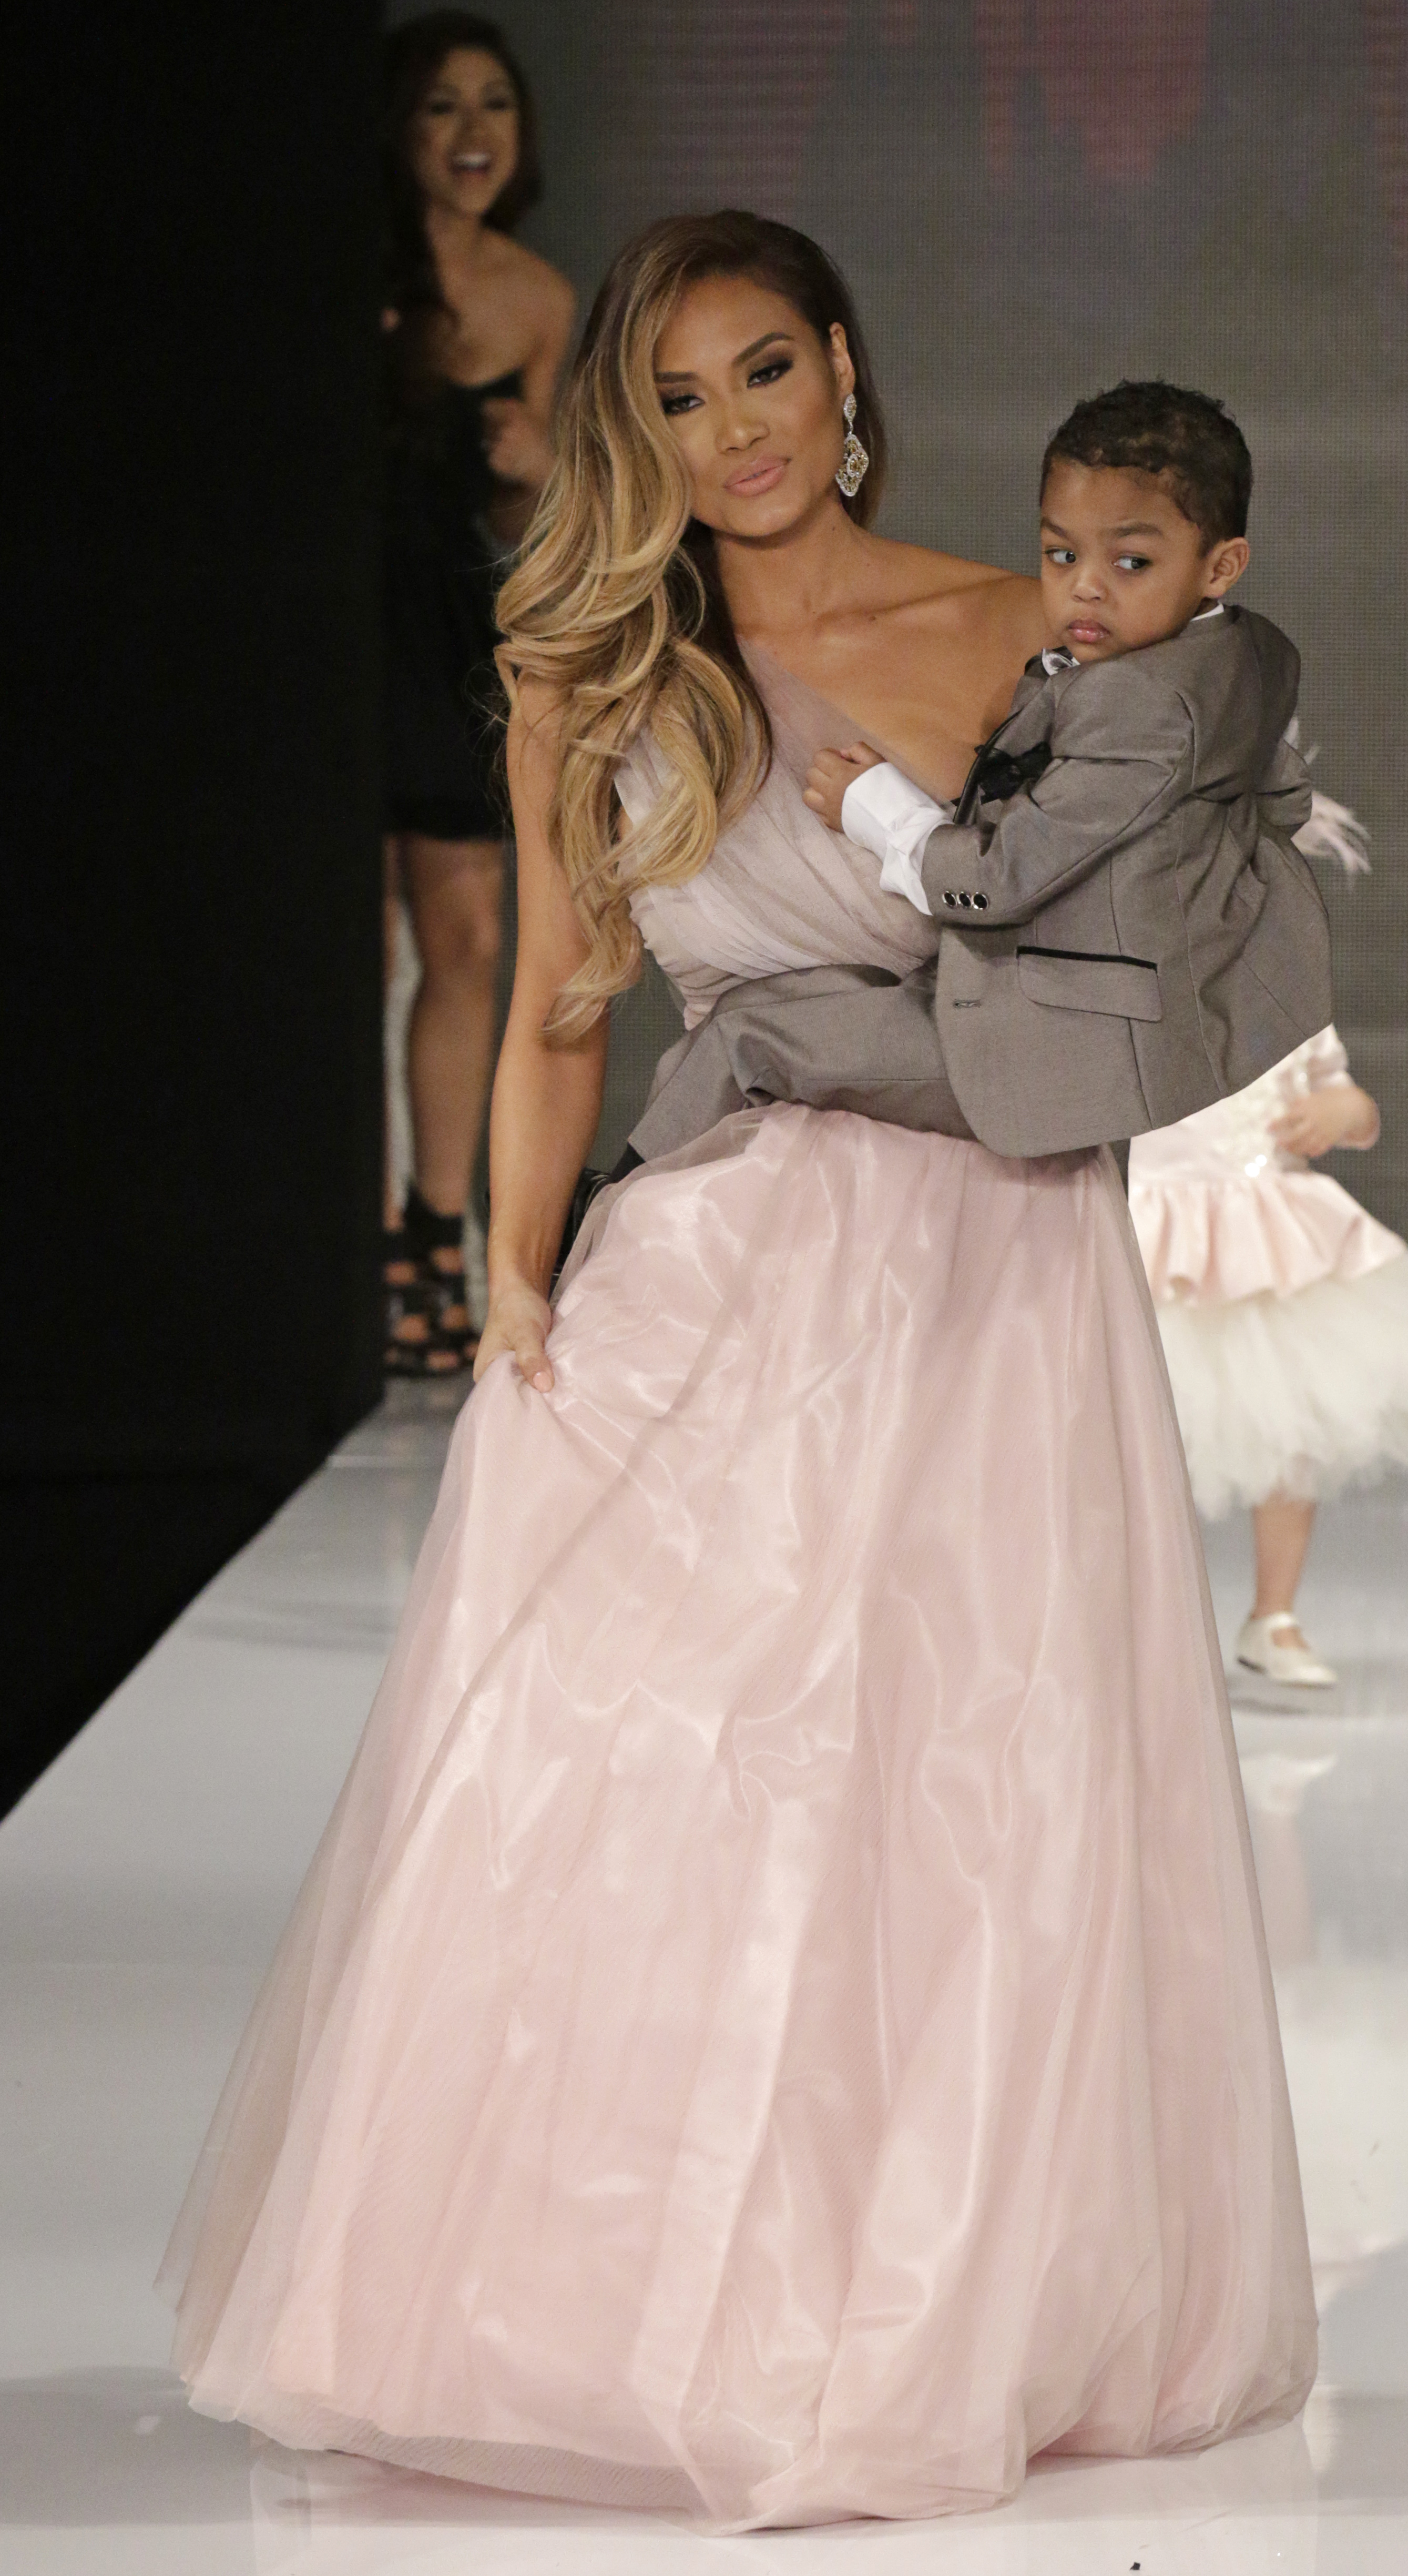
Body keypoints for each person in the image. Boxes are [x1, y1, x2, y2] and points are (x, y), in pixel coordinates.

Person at [162, 212, 1315, 2528]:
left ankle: (928, 2296)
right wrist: (509, 1287)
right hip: (727, 1246)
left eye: (763, 373)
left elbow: (1141, 962)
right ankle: (602, 2300)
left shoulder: (1024, 627)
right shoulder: (595, 662)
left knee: (963, 1785)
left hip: (990, 1267)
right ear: (630, 431)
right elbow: (561, 1010)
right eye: (676, 399)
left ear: (845, 368)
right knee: (645, 1766)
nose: (732, 433)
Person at [627, 380, 1333, 1168]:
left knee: (742, 1035)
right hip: (1077, 1005)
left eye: (1131, 561)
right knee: (798, 1003)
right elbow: (1283, 794)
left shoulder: (1143, 700)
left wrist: (877, 806)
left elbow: (998, 880)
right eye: (1061, 554)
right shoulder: (1246, 653)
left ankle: (610, 1205)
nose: (1085, 586)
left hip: (1048, 1039)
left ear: (1221, 565)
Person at [1129, 1020, 1408, 1687]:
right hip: (1161, 1235)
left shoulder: (1290, 1016)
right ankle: (1142, 1618)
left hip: (1276, 1241)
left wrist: (1344, 1110)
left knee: (1294, 1427)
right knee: (1144, 1437)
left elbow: (1350, 1102)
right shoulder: (1144, 998)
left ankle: (1274, 1614)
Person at [381, 12, 576, 1373]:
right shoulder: (338, 276)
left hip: (452, 632)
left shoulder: (542, 298)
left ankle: (429, 1235)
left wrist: (529, 462)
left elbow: (539, 517)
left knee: (465, 938)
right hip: (324, 633)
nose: (468, 134)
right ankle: (333, 1242)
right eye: (440, 106)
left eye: (492, 106)